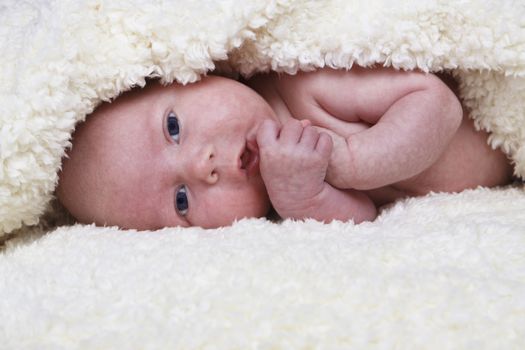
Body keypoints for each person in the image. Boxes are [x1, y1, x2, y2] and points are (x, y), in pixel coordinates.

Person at [56, 67, 513, 229]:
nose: (202, 165)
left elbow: (438, 104)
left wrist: (350, 162)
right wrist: (306, 198)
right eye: (181, 201)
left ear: (191, 74)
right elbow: (363, 219)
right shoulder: (281, 199)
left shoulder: (305, 86)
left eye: (173, 127)